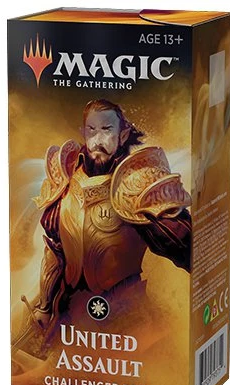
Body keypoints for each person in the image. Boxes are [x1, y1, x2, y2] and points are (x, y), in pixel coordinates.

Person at [30, 99, 192, 340]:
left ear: (123, 134)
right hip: (71, 313)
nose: (98, 140)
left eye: (107, 130)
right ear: (83, 133)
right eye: (91, 130)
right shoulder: (65, 179)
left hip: (127, 314)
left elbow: (188, 245)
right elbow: (55, 249)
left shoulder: (138, 183)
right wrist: (46, 305)